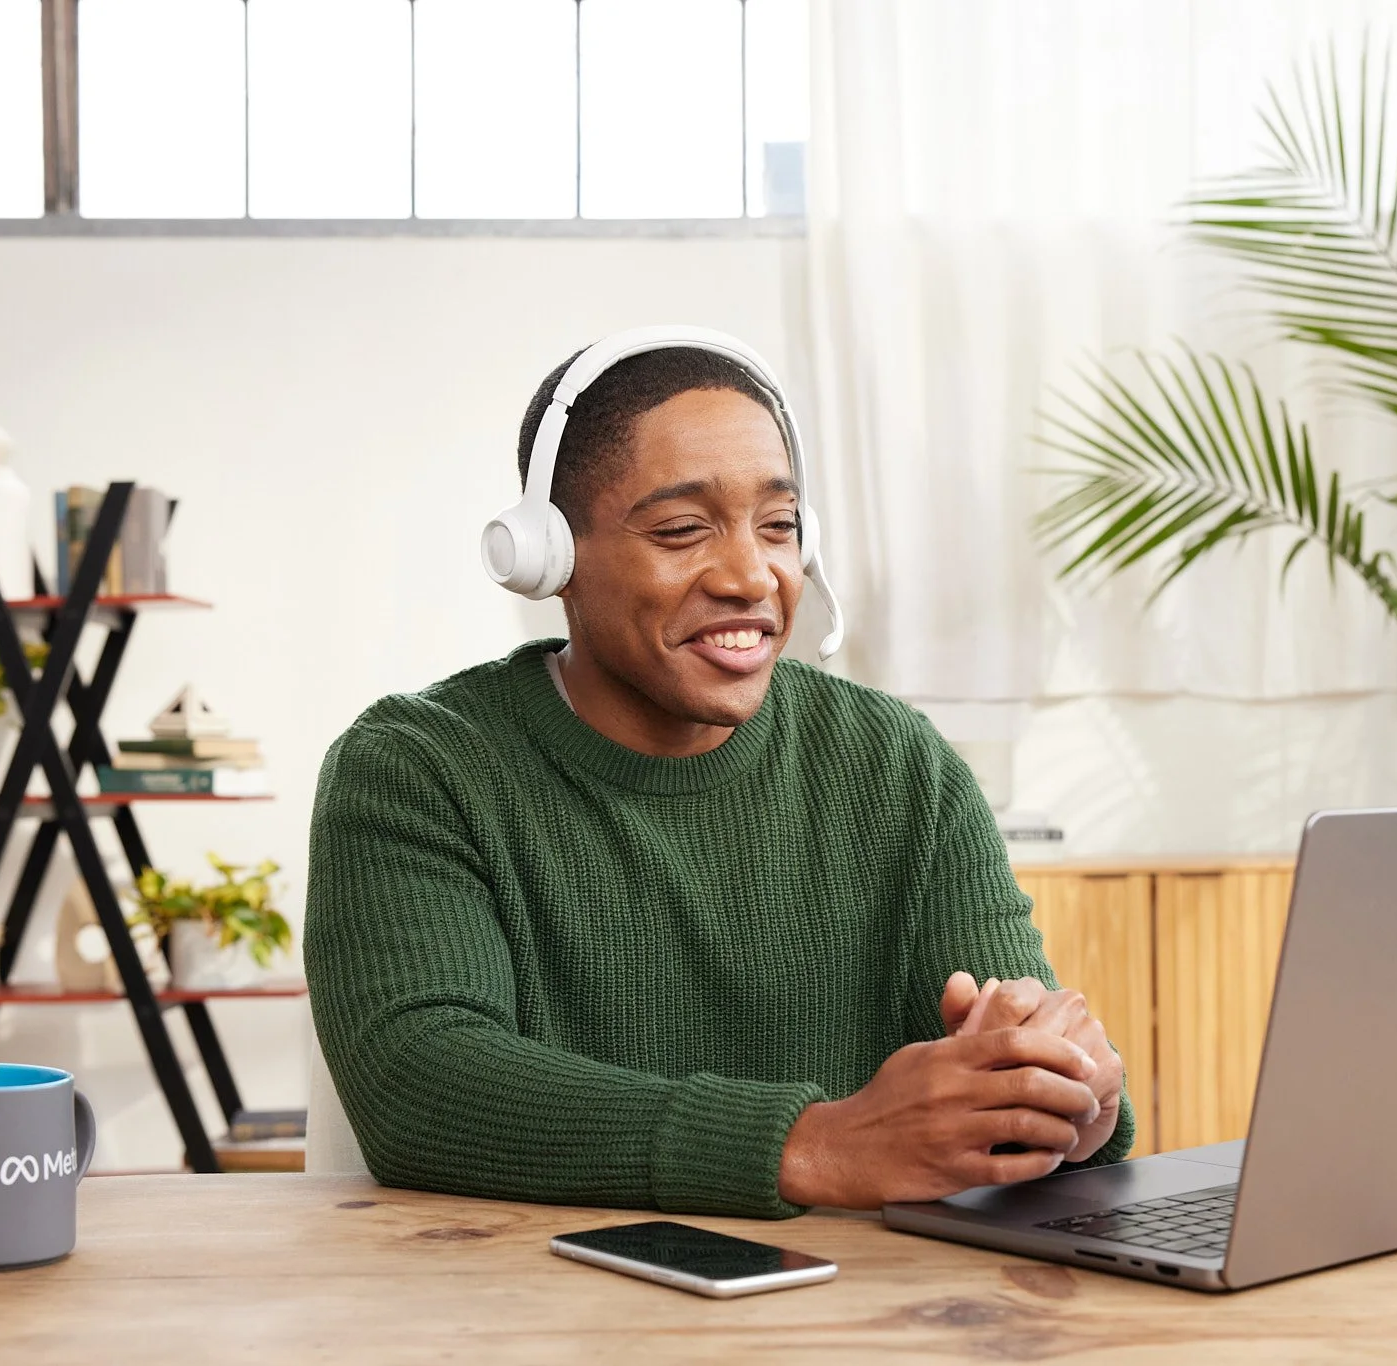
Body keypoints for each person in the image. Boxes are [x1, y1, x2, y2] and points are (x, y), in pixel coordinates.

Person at [304, 334, 1132, 1217]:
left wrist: (1065, 1098)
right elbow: (421, 1082)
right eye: (681, 530)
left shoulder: (897, 764)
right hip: (535, 1314)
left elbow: (1005, 1055)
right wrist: (812, 1145)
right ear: (547, 558)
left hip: (853, 1316)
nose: (751, 575)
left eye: (778, 527)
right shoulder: (418, 765)